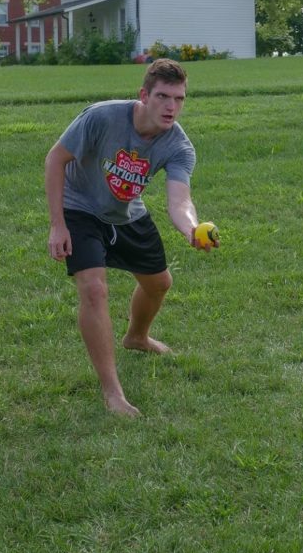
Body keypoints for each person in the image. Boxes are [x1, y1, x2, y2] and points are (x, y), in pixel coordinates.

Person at [44, 58, 218, 418]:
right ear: (144, 95)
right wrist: (58, 224)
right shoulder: (102, 117)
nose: (171, 107)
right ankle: (113, 392)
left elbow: (179, 200)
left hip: (126, 211)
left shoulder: (178, 146)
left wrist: (190, 228)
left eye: (179, 98)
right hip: (80, 208)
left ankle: (136, 337)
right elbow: (55, 160)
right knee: (94, 289)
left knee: (159, 284)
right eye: (163, 96)